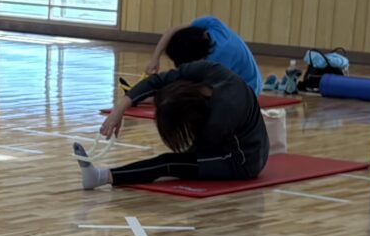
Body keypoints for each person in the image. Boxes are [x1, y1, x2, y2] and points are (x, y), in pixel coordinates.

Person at [75, 65, 267, 190]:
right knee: (173, 161)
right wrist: (120, 109)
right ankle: (102, 175)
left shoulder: (220, 116)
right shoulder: (209, 71)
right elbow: (158, 81)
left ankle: (102, 176)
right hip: (237, 139)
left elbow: (193, 153)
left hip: (243, 161)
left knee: (168, 163)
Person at [139, 16, 261, 95]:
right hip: (247, 79)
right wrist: (155, 59)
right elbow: (173, 31)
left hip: (249, 90)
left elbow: (205, 91)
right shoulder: (214, 25)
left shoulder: (217, 60)